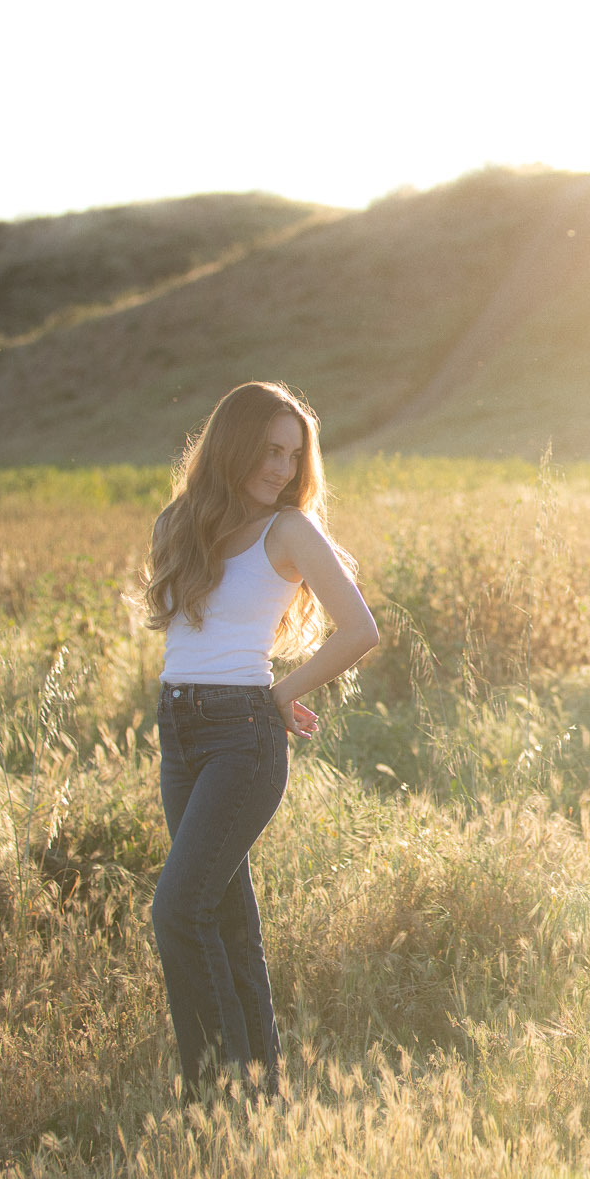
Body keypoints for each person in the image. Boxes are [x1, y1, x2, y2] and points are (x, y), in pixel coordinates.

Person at [138, 381, 380, 1097]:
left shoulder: (291, 531)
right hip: (178, 727)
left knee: (178, 909)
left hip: (244, 733)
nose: (281, 468)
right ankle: (259, 1095)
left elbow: (360, 628)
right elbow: (183, 636)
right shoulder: (177, 524)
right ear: (233, 441)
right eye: (270, 450)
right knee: (223, 916)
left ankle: (216, 1097)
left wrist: (281, 693)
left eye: (292, 455)